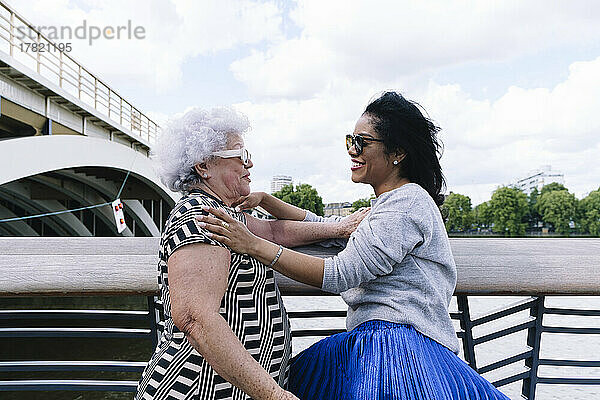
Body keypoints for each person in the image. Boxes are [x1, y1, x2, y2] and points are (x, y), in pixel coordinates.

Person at [197, 92, 511, 399]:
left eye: (362, 142)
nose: (352, 150)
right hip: (374, 342)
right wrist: (266, 200)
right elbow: (324, 227)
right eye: (350, 140)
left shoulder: (406, 204)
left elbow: (341, 274)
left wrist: (253, 246)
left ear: (397, 153)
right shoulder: (389, 205)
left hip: (402, 348)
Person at [135, 107, 368, 400]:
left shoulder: (223, 213)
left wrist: (338, 228)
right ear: (204, 165)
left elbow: (274, 232)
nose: (251, 163)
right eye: (241, 155)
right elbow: (196, 318)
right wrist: (275, 395)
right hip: (199, 389)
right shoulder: (199, 216)